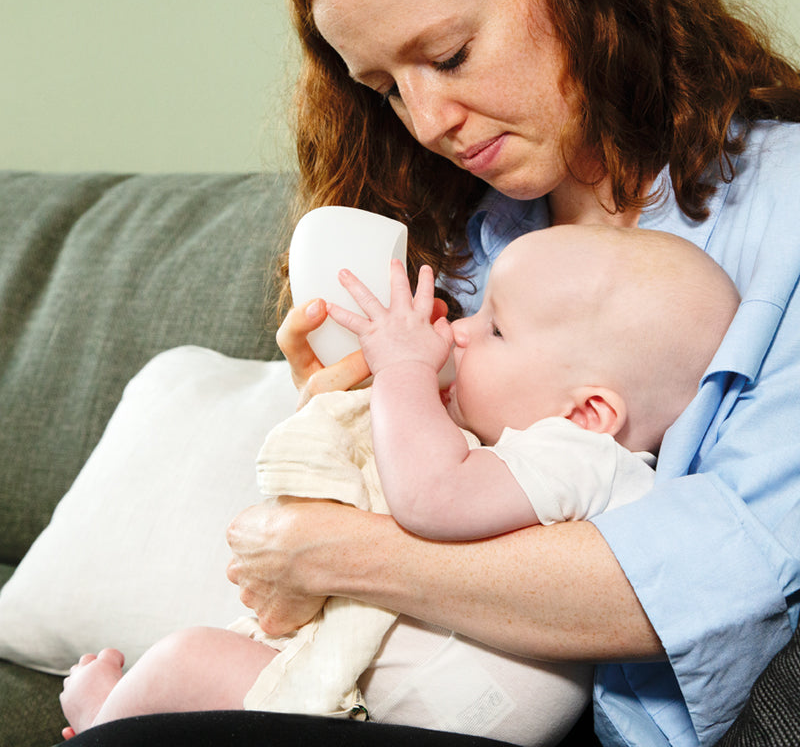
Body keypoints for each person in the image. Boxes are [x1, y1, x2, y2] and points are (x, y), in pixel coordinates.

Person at [63, 0, 800, 745]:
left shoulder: (782, 212)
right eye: (384, 90)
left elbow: (732, 572)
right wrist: (342, 419)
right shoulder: (468, 234)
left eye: (450, 55)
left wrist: (338, 553)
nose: (427, 121)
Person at [58, 226, 739, 747]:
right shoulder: (547, 460)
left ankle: (101, 721)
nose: (460, 334)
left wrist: (405, 371)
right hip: (416, 708)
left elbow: (429, 498)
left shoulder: (581, 458)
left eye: (494, 328)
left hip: (419, 721)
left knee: (188, 660)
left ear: (589, 411)